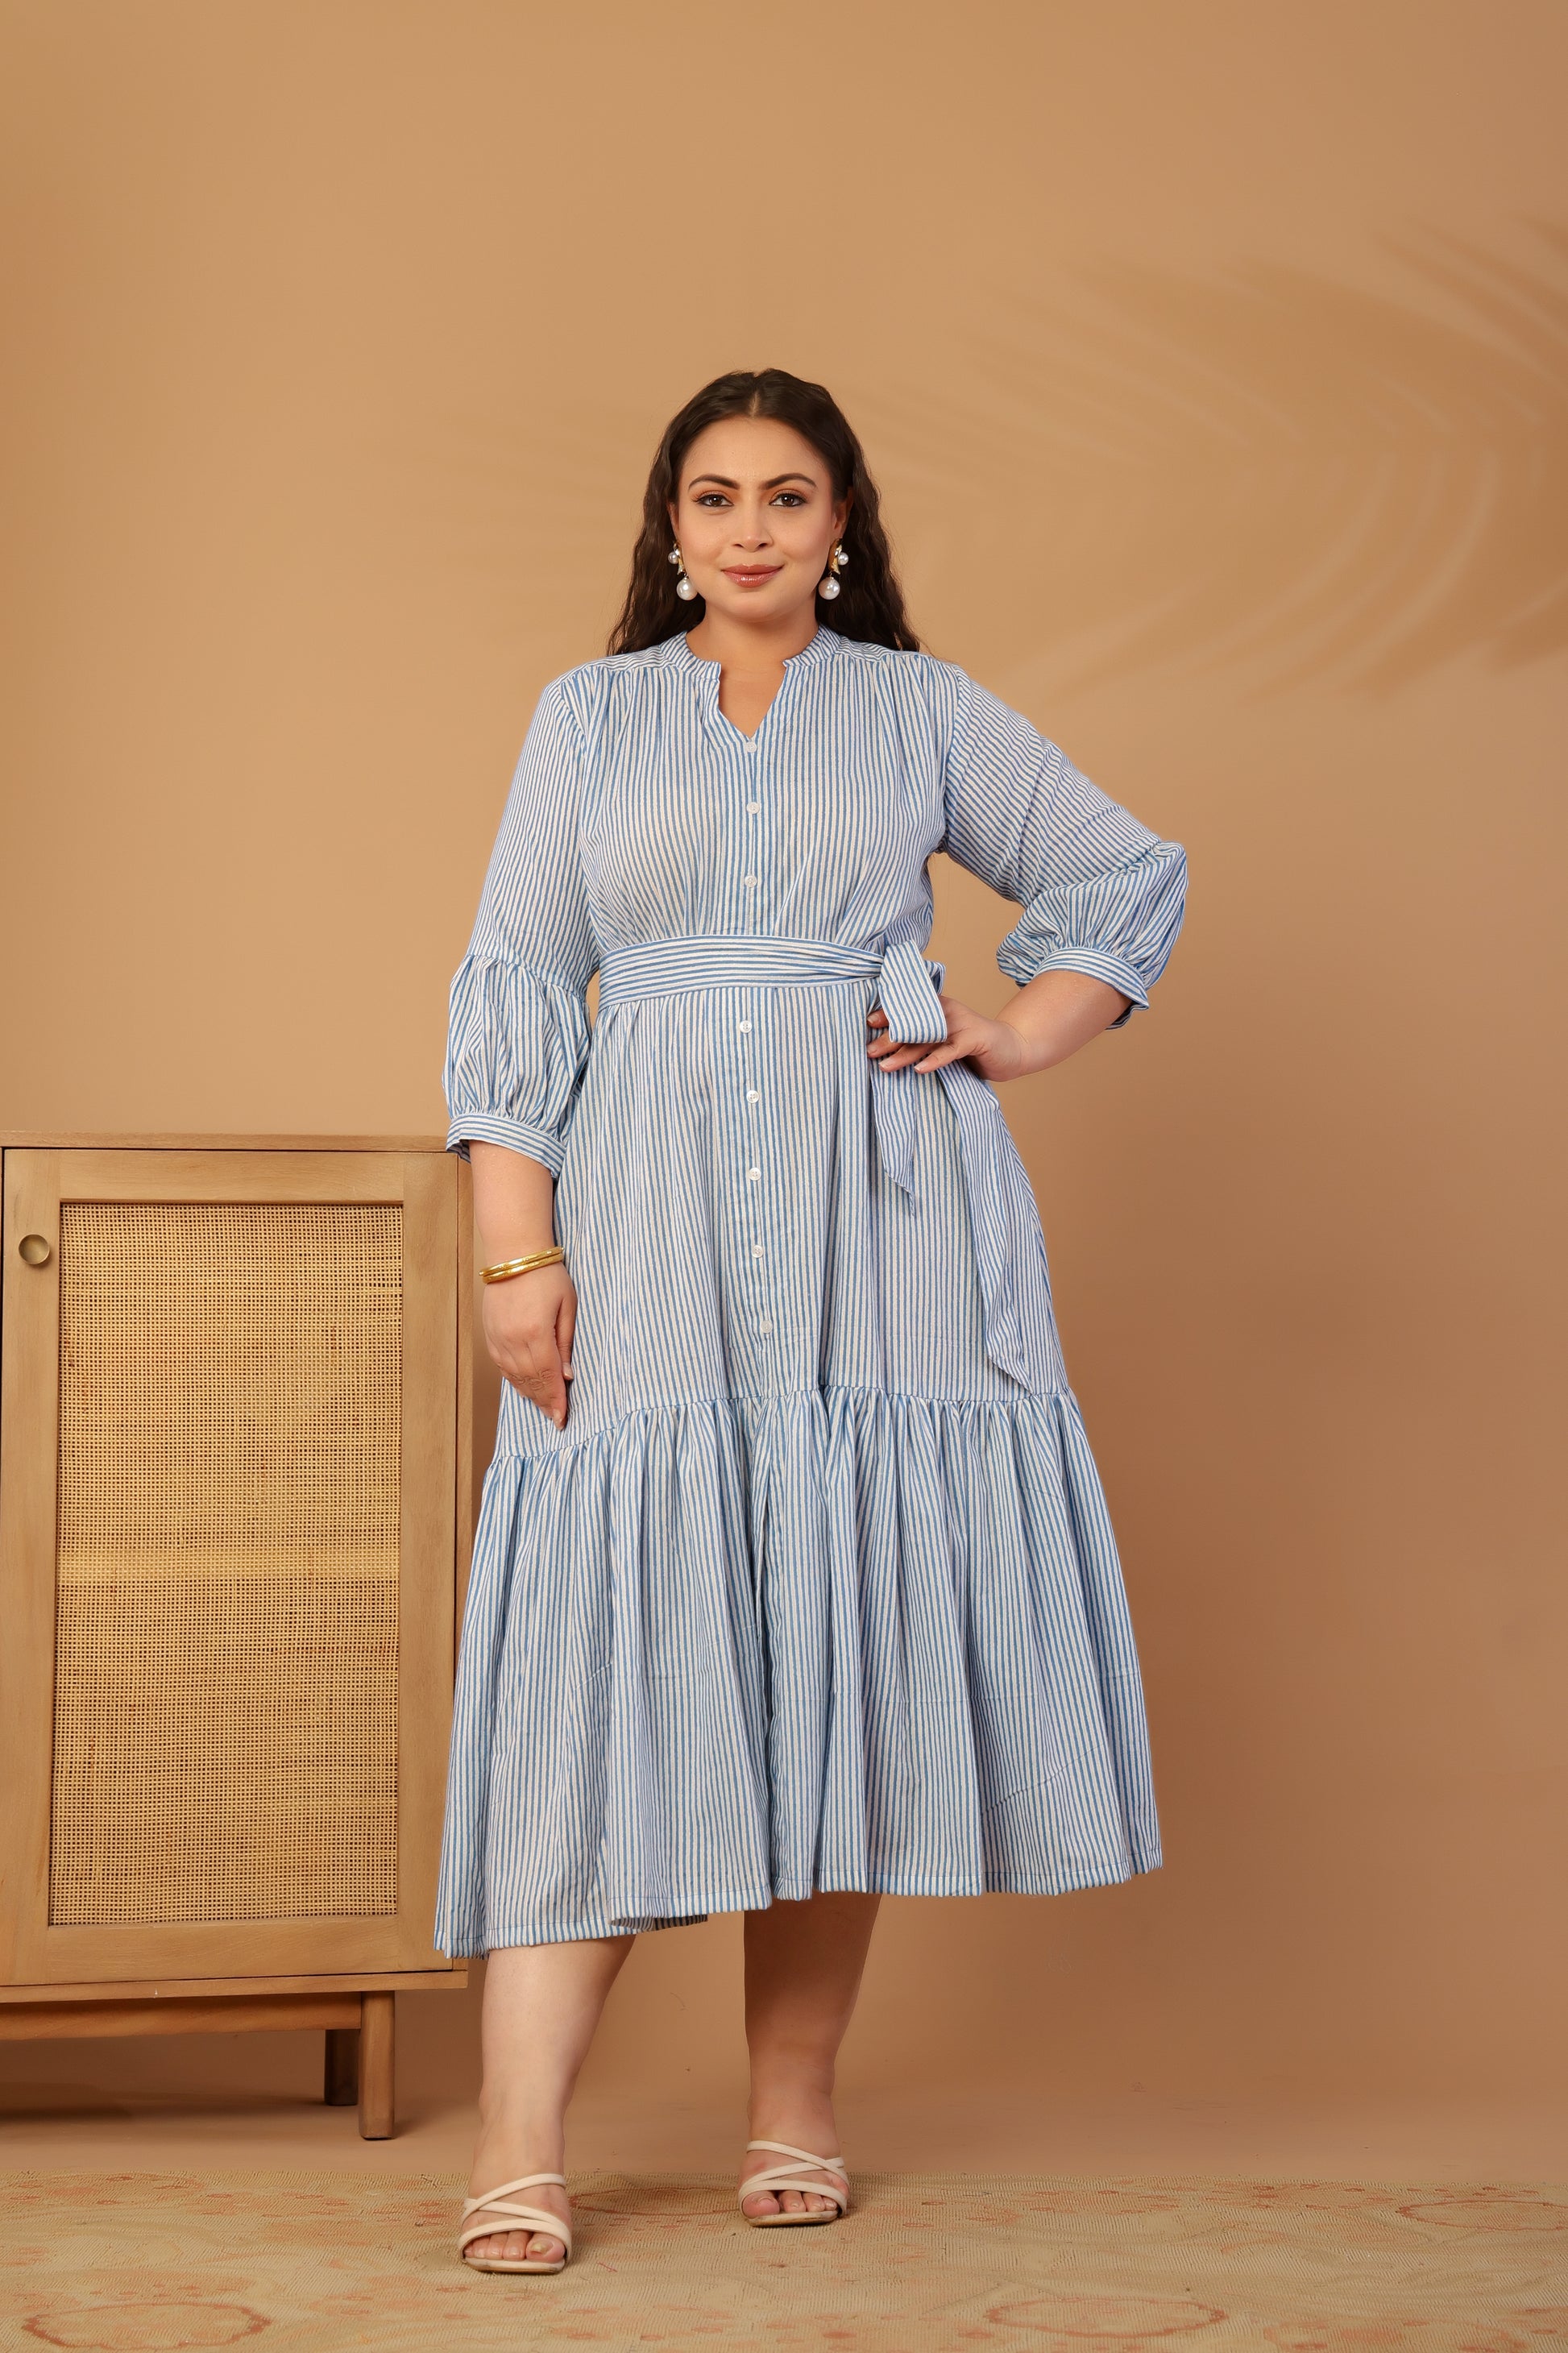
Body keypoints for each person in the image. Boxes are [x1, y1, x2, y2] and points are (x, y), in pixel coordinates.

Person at [441, 369, 1187, 2273]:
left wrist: (1021, 1029)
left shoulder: (919, 707)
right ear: (670, 525)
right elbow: (519, 970)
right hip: (650, 1216)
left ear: (842, 520)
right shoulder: (590, 715)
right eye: (715, 495)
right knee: (603, 1657)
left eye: (788, 493)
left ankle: (795, 2103)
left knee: (838, 1630)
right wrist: (516, 1247)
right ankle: (519, 2134)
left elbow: (1122, 872)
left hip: (887, 1224)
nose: (751, 528)